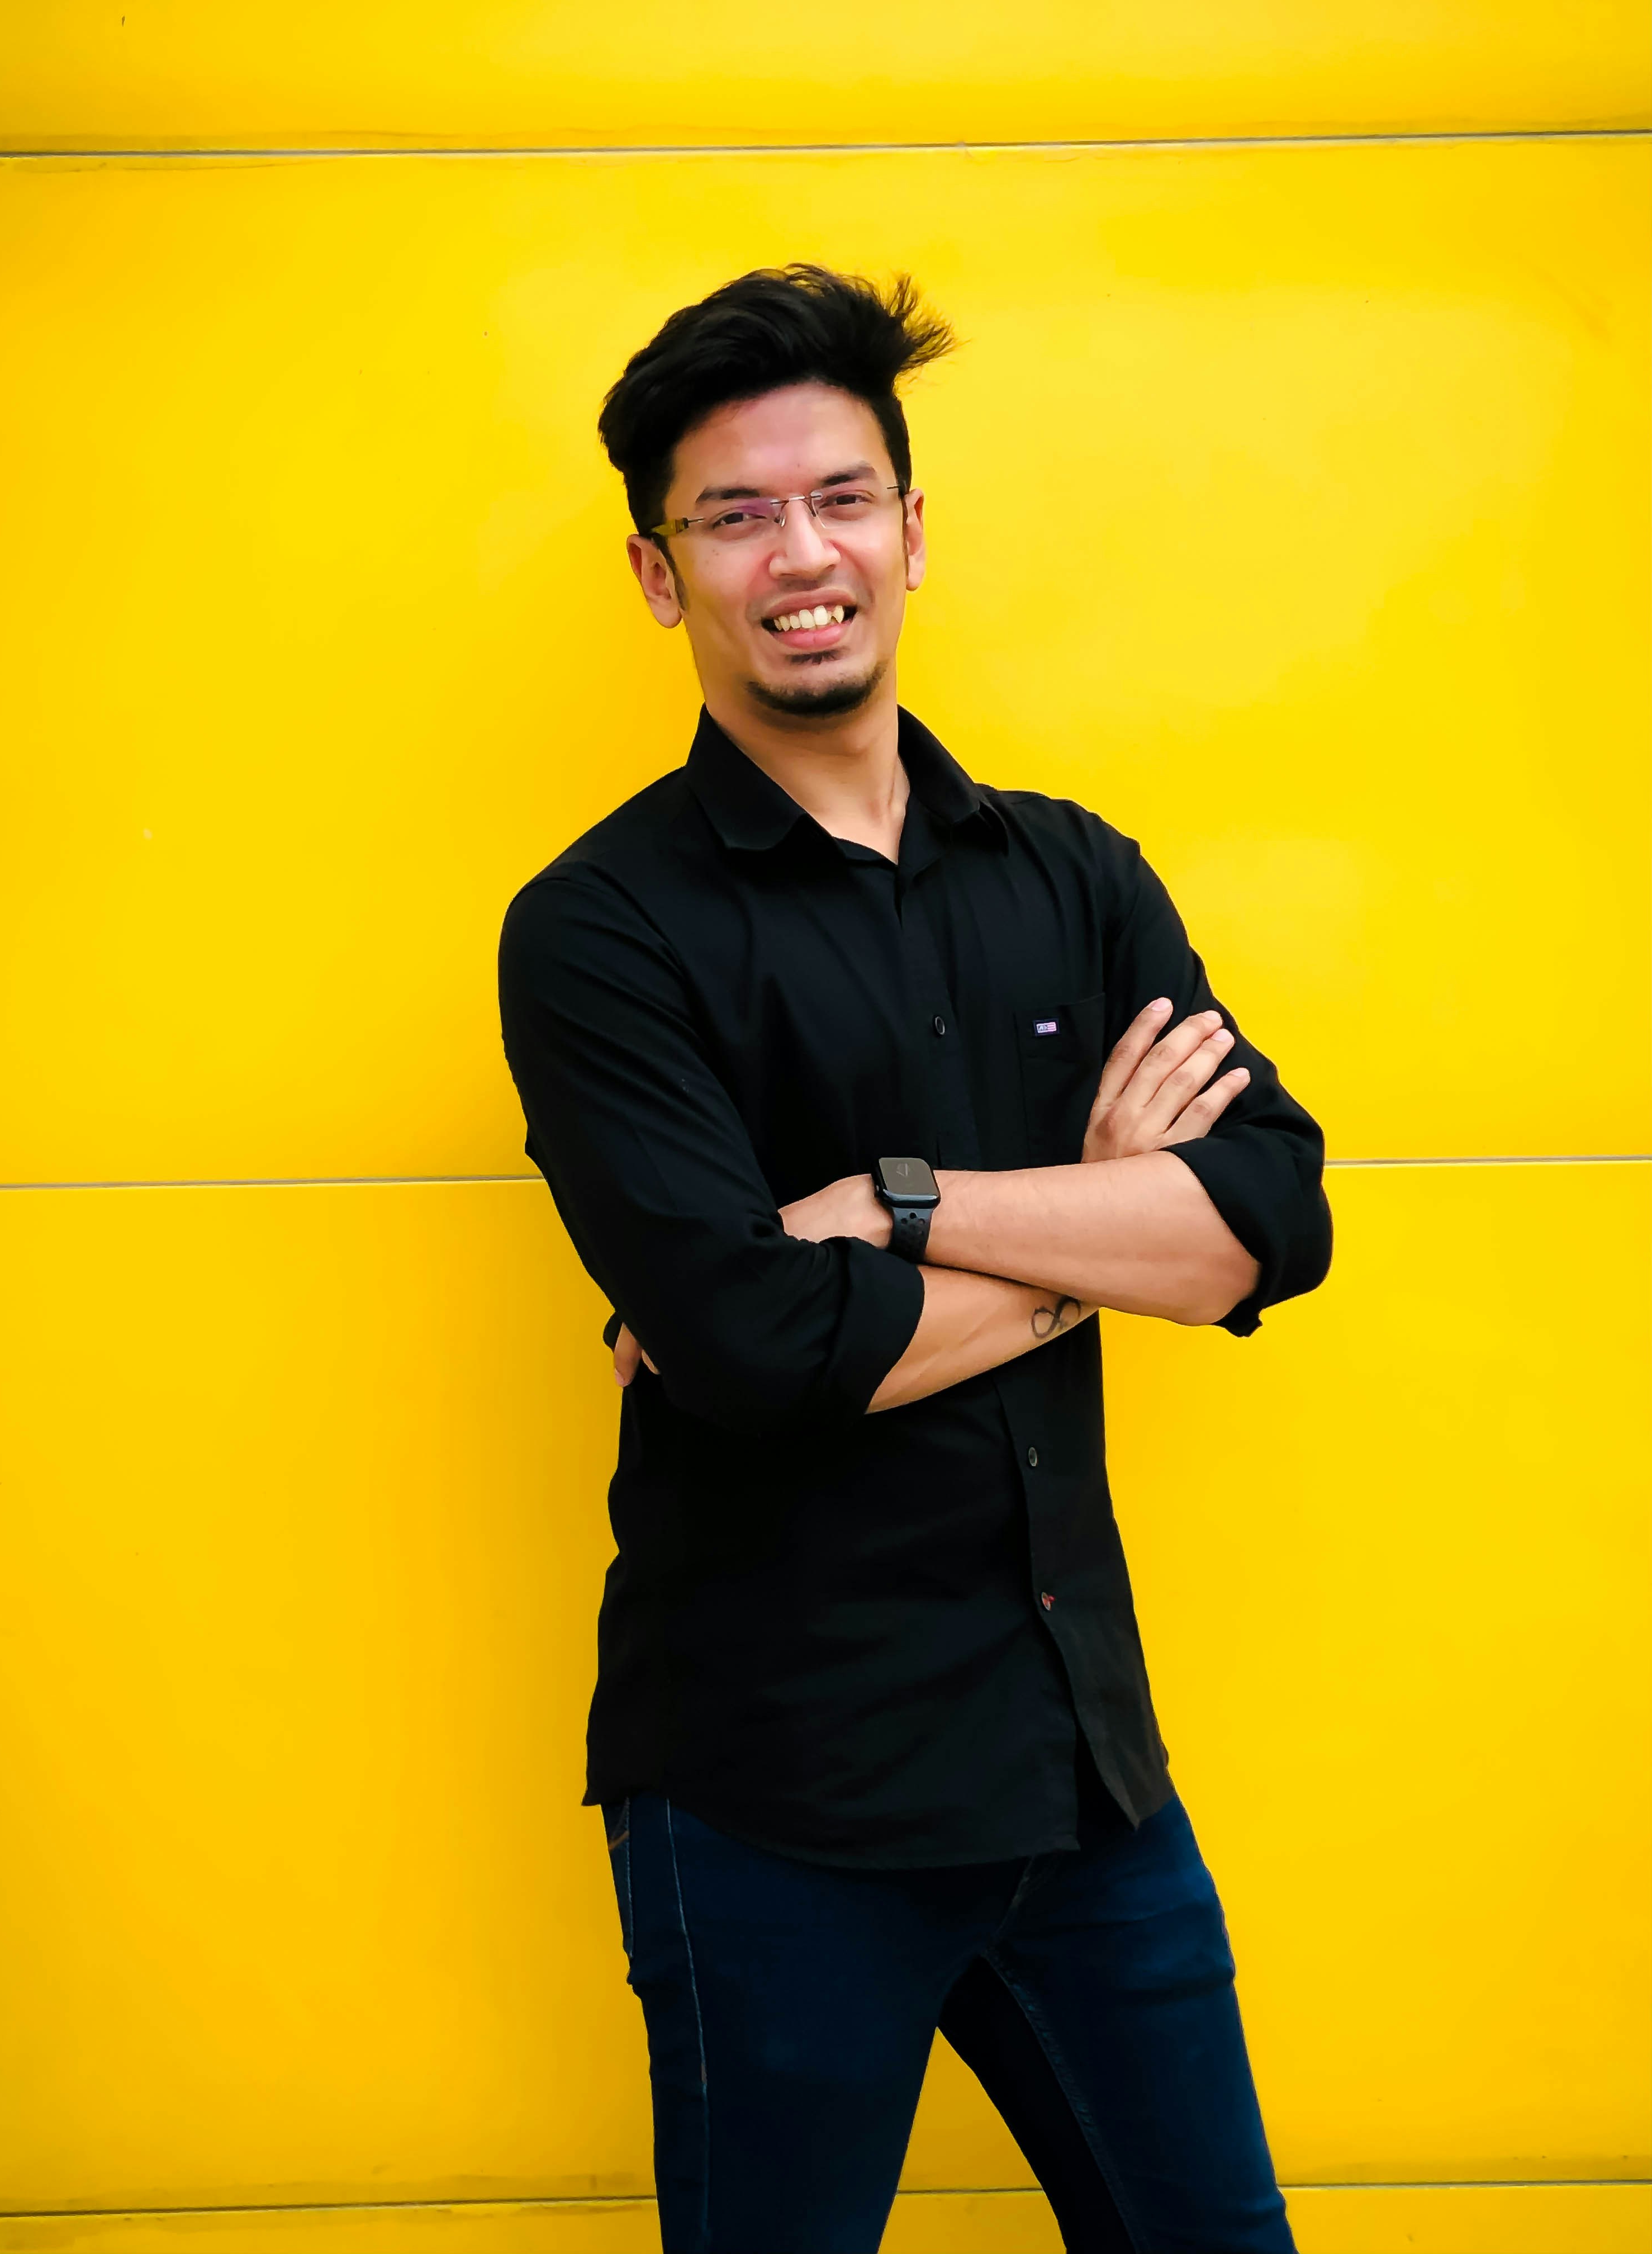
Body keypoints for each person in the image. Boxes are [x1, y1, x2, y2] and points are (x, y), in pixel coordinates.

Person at [498, 266, 1331, 2254]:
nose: (803, 555)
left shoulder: (1071, 872)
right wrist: (1106, 1232)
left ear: (911, 527)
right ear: (655, 571)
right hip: (780, 1813)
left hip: (1085, 1785)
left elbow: (1271, 1220)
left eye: (842, 497)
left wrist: (897, 1209)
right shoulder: (601, 933)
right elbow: (758, 1344)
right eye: (736, 514)